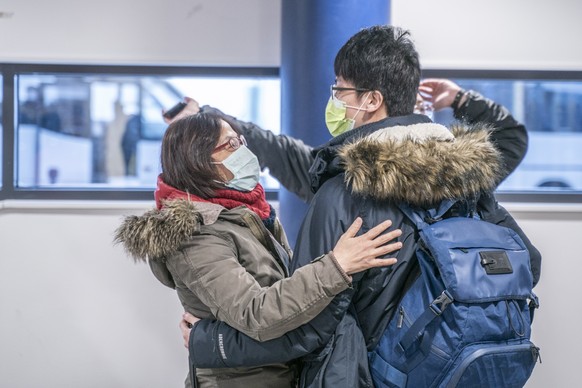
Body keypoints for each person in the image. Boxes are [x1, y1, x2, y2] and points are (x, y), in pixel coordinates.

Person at [175, 25, 542, 387]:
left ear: (371, 100)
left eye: (339, 88)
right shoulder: (468, 182)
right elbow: (529, 262)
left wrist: (210, 342)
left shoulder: (342, 195)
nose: (334, 98)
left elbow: (303, 329)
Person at [114, 112, 403, 387]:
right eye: (229, 145)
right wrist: (337, 265)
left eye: (240, 140)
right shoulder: (196, 237)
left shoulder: (248, 213)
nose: (242, 150)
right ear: (198, 161)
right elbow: (257, 314)